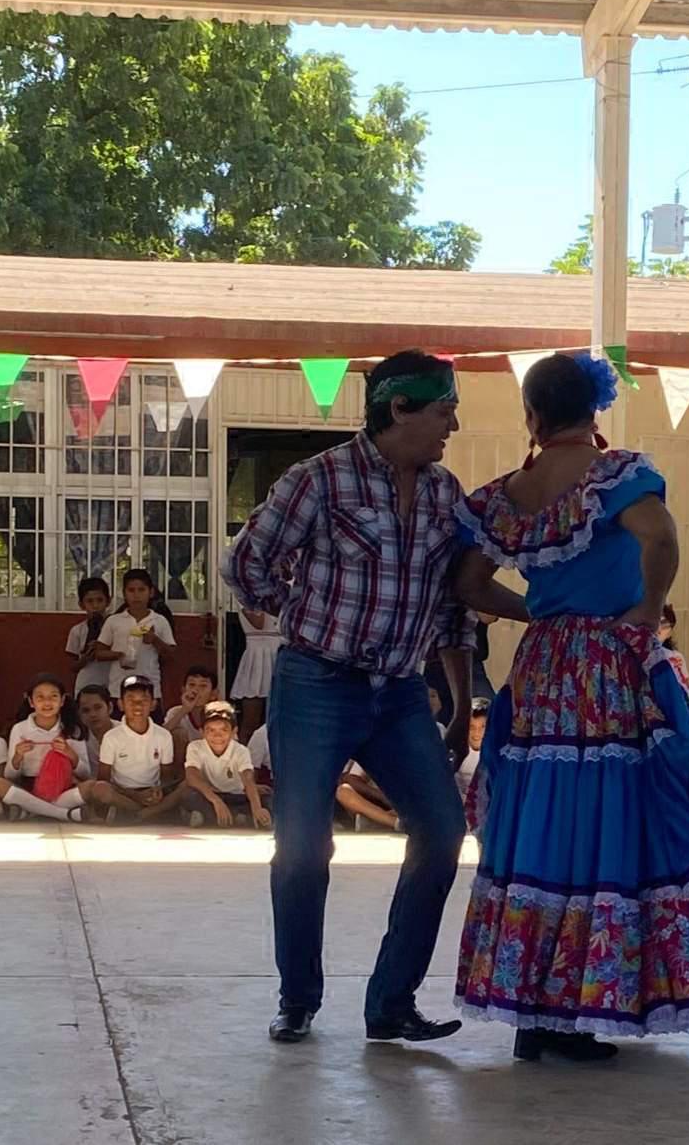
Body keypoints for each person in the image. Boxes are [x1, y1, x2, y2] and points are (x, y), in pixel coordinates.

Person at [451, 351, 689, 1062]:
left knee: (542, 824)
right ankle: (583, 1005)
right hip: (610, 666)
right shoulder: (613, 475)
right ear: (594, 409)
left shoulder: (505, 495)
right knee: (610, 821)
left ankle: (535, 1011)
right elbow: (661, 535)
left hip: (542, 671)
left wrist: (536, 612)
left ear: (532, 415)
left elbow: (469, 582)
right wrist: (645, 608)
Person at [221, 349, 515, 1047]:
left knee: (442, 833)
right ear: (398, 409)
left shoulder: (446, 494)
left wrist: (451, 699)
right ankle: (298, 997)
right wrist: (295, 612)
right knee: (301, 848)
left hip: (402, 693)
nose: (452, 422)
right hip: (316, 682)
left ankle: (391, 1001)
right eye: (442, 409)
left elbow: (453, 608)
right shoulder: (318, 480)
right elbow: (245, 562)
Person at [89, 674, 183, 823]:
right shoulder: (112, 737)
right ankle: (145, 814)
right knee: (100, 789)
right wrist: (135, 795)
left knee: (186, 786)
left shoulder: (163, 735)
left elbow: (166, 776)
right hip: (124, 792)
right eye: (131, 700)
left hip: (152, 791)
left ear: (153, 704)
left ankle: (137, 814)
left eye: (144, 700)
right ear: (121, 704)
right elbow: (104, 778)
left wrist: (158, 791)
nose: (137, 705)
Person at [0, 674, 94, 823]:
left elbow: (86, 774)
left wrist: (70, 754)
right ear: (31, 702)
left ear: (62, 700)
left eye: (53, 697)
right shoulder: (20, 729)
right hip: (29, 788)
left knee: (91, 787)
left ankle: (31, 810)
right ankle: (63, 814)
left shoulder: (72, 730)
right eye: (40, 697)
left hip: (62, 789)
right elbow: (10, 776)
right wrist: (18, 756)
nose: (47, 702)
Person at [94, 569, 177, 707]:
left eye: (141, 590)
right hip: (118, 690)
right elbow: (99, 653)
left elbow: (171, 656)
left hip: (150, 690)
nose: (136, 595)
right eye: (131, 590)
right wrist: (118, 655)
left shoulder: (159, 620)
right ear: (124, 593)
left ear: (151, 592)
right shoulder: (114, 620)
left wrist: (155, 640)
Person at [183, 701, 272, 829]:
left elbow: (247, 778)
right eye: (211, 730)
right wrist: (216, 801)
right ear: (201, 732)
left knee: (268, 798)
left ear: (233, 731)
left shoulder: (241, 750)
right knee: (188, 795)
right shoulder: (195, 747)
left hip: (235, 795)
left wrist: (257, 808)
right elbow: (192, 776)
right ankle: (239, 818)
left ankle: (212, 818)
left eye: (223, 730)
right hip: (210, 795)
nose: (217, 735)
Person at [230, 609, 283, 740]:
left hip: (281, 652)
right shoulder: (247, 593)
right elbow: (258, 622)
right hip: (257, 655)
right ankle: (243, 758)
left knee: (281, 720)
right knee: (251, 721)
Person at [66, 578, 113, 695]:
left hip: (111, 683)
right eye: (90, 601)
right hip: (86, 683)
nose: (95, 606)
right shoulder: (77, 630)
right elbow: (72, 666)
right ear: (81, 604)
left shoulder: (116, 628)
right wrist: (86, 658)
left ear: (108, 601)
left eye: (100, 600)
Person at [164, 666, 220, 763]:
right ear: (183, 690)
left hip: (210, 764)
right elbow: (160, 735)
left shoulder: (220, 713)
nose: (196, 690)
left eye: (203, 686)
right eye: (192, 685)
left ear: (213, 694)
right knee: (179, 734)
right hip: (182, 764)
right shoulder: (175, 712)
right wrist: (185, 709)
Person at [76, 684, 116, 776]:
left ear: (110, 707)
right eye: (86, 710)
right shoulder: (76, 737)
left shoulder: (125, 732)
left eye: (98, 707)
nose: (93, 714)